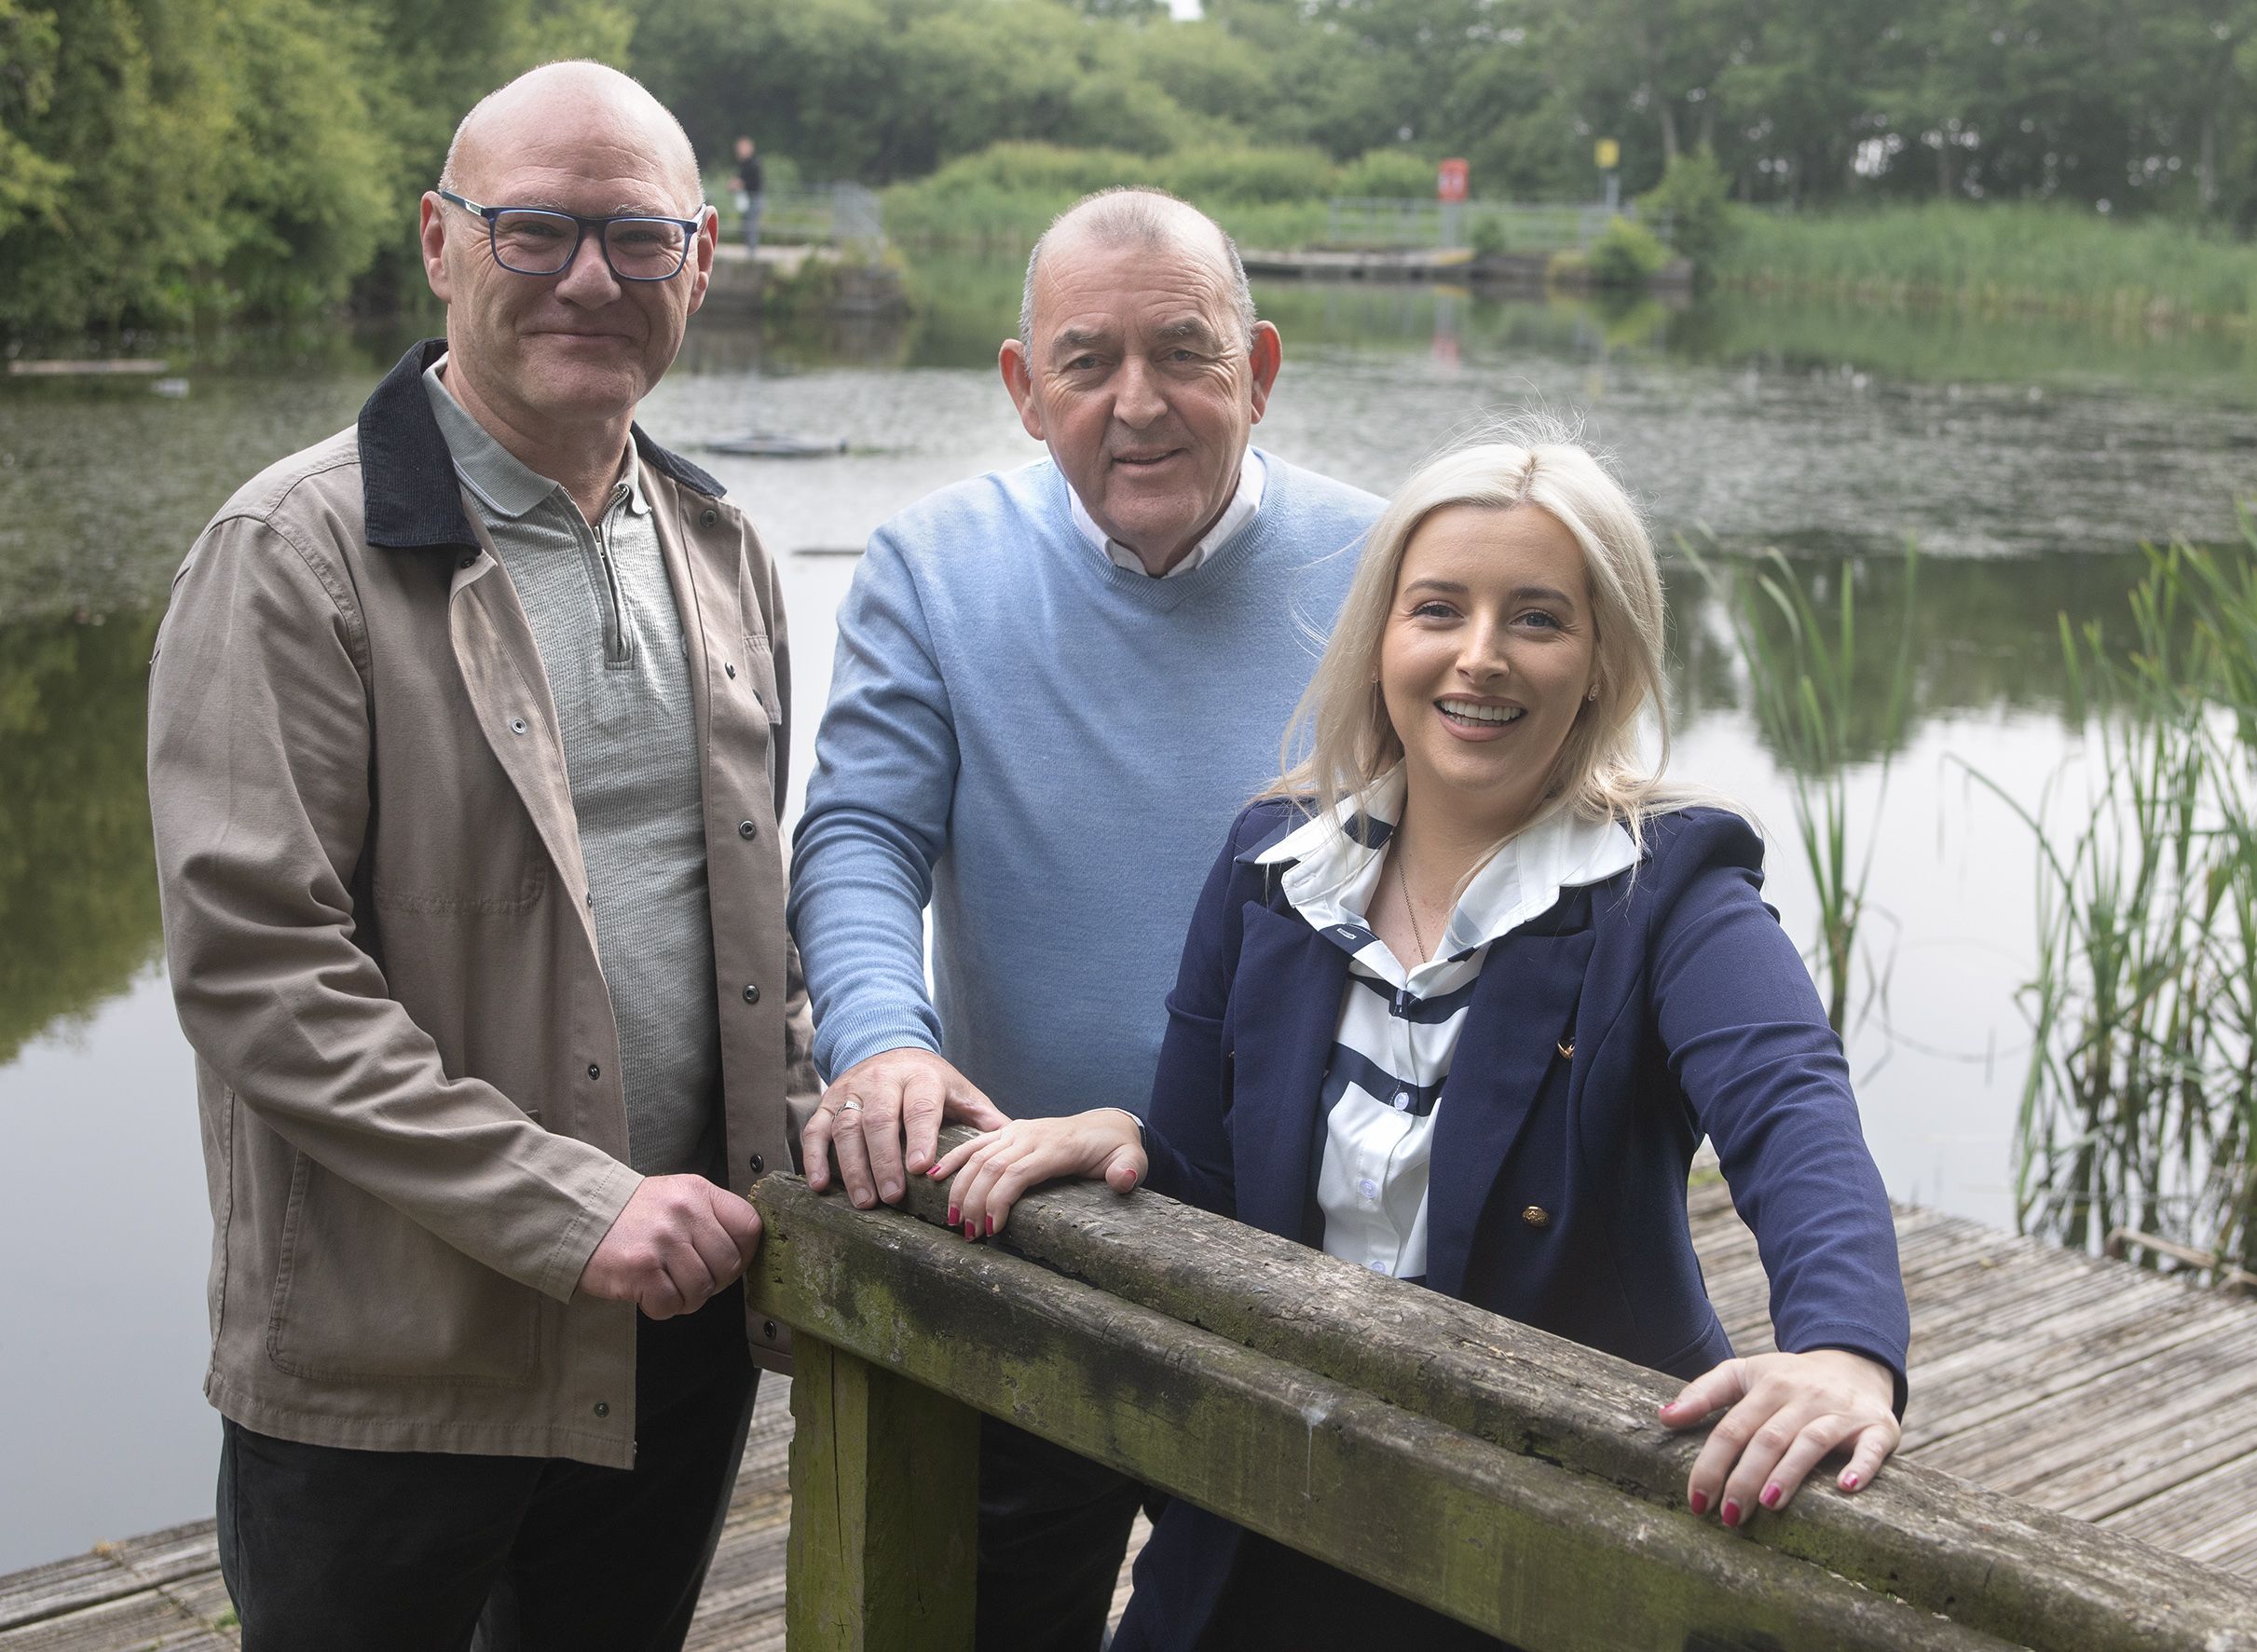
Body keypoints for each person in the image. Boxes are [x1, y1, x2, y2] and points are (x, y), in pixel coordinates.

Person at [932, 424, 1911, 1649]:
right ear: (1382, 636)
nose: (1481, 658)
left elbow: (1794, 1112)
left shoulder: (1673, 891)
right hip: (1270, 1514)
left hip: (1567, 1537)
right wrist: (1123, 1136)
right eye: (1439, 608)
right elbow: (1211, 1202)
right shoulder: (1271, 867)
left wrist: (1843, 1348)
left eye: (1539, 618)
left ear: (1604, 658)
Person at [144, 61, 815, 1652]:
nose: (591, 278)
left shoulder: (721, 546)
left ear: (700, 262)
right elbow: (259, 974)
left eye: (637, 240)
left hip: (676, 1325)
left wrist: (829, 1092)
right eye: (536, 230)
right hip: (398, 1366)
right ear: (442, 242)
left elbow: (744, 924)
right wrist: (573, 1205)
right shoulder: (293, 554)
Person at [787, 187, 1383, 1649]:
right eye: (1086, 362)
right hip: (1032, 1223)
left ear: (1261, 366)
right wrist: (879, 1041)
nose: (1138, 405)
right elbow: (862, 834)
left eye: (1184, 352)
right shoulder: (931, 566)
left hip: (1298, 1258)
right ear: (1020, 388)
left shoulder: (1393, 576)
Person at [730, 135, 763, 256]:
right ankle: (750, 249)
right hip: (748, 198)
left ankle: (752, 251)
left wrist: (738, 184)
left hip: (754, 198)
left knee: (751, 224)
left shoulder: (753, 163)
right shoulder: (744, 164)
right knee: (747, 224)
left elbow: (750, 181)